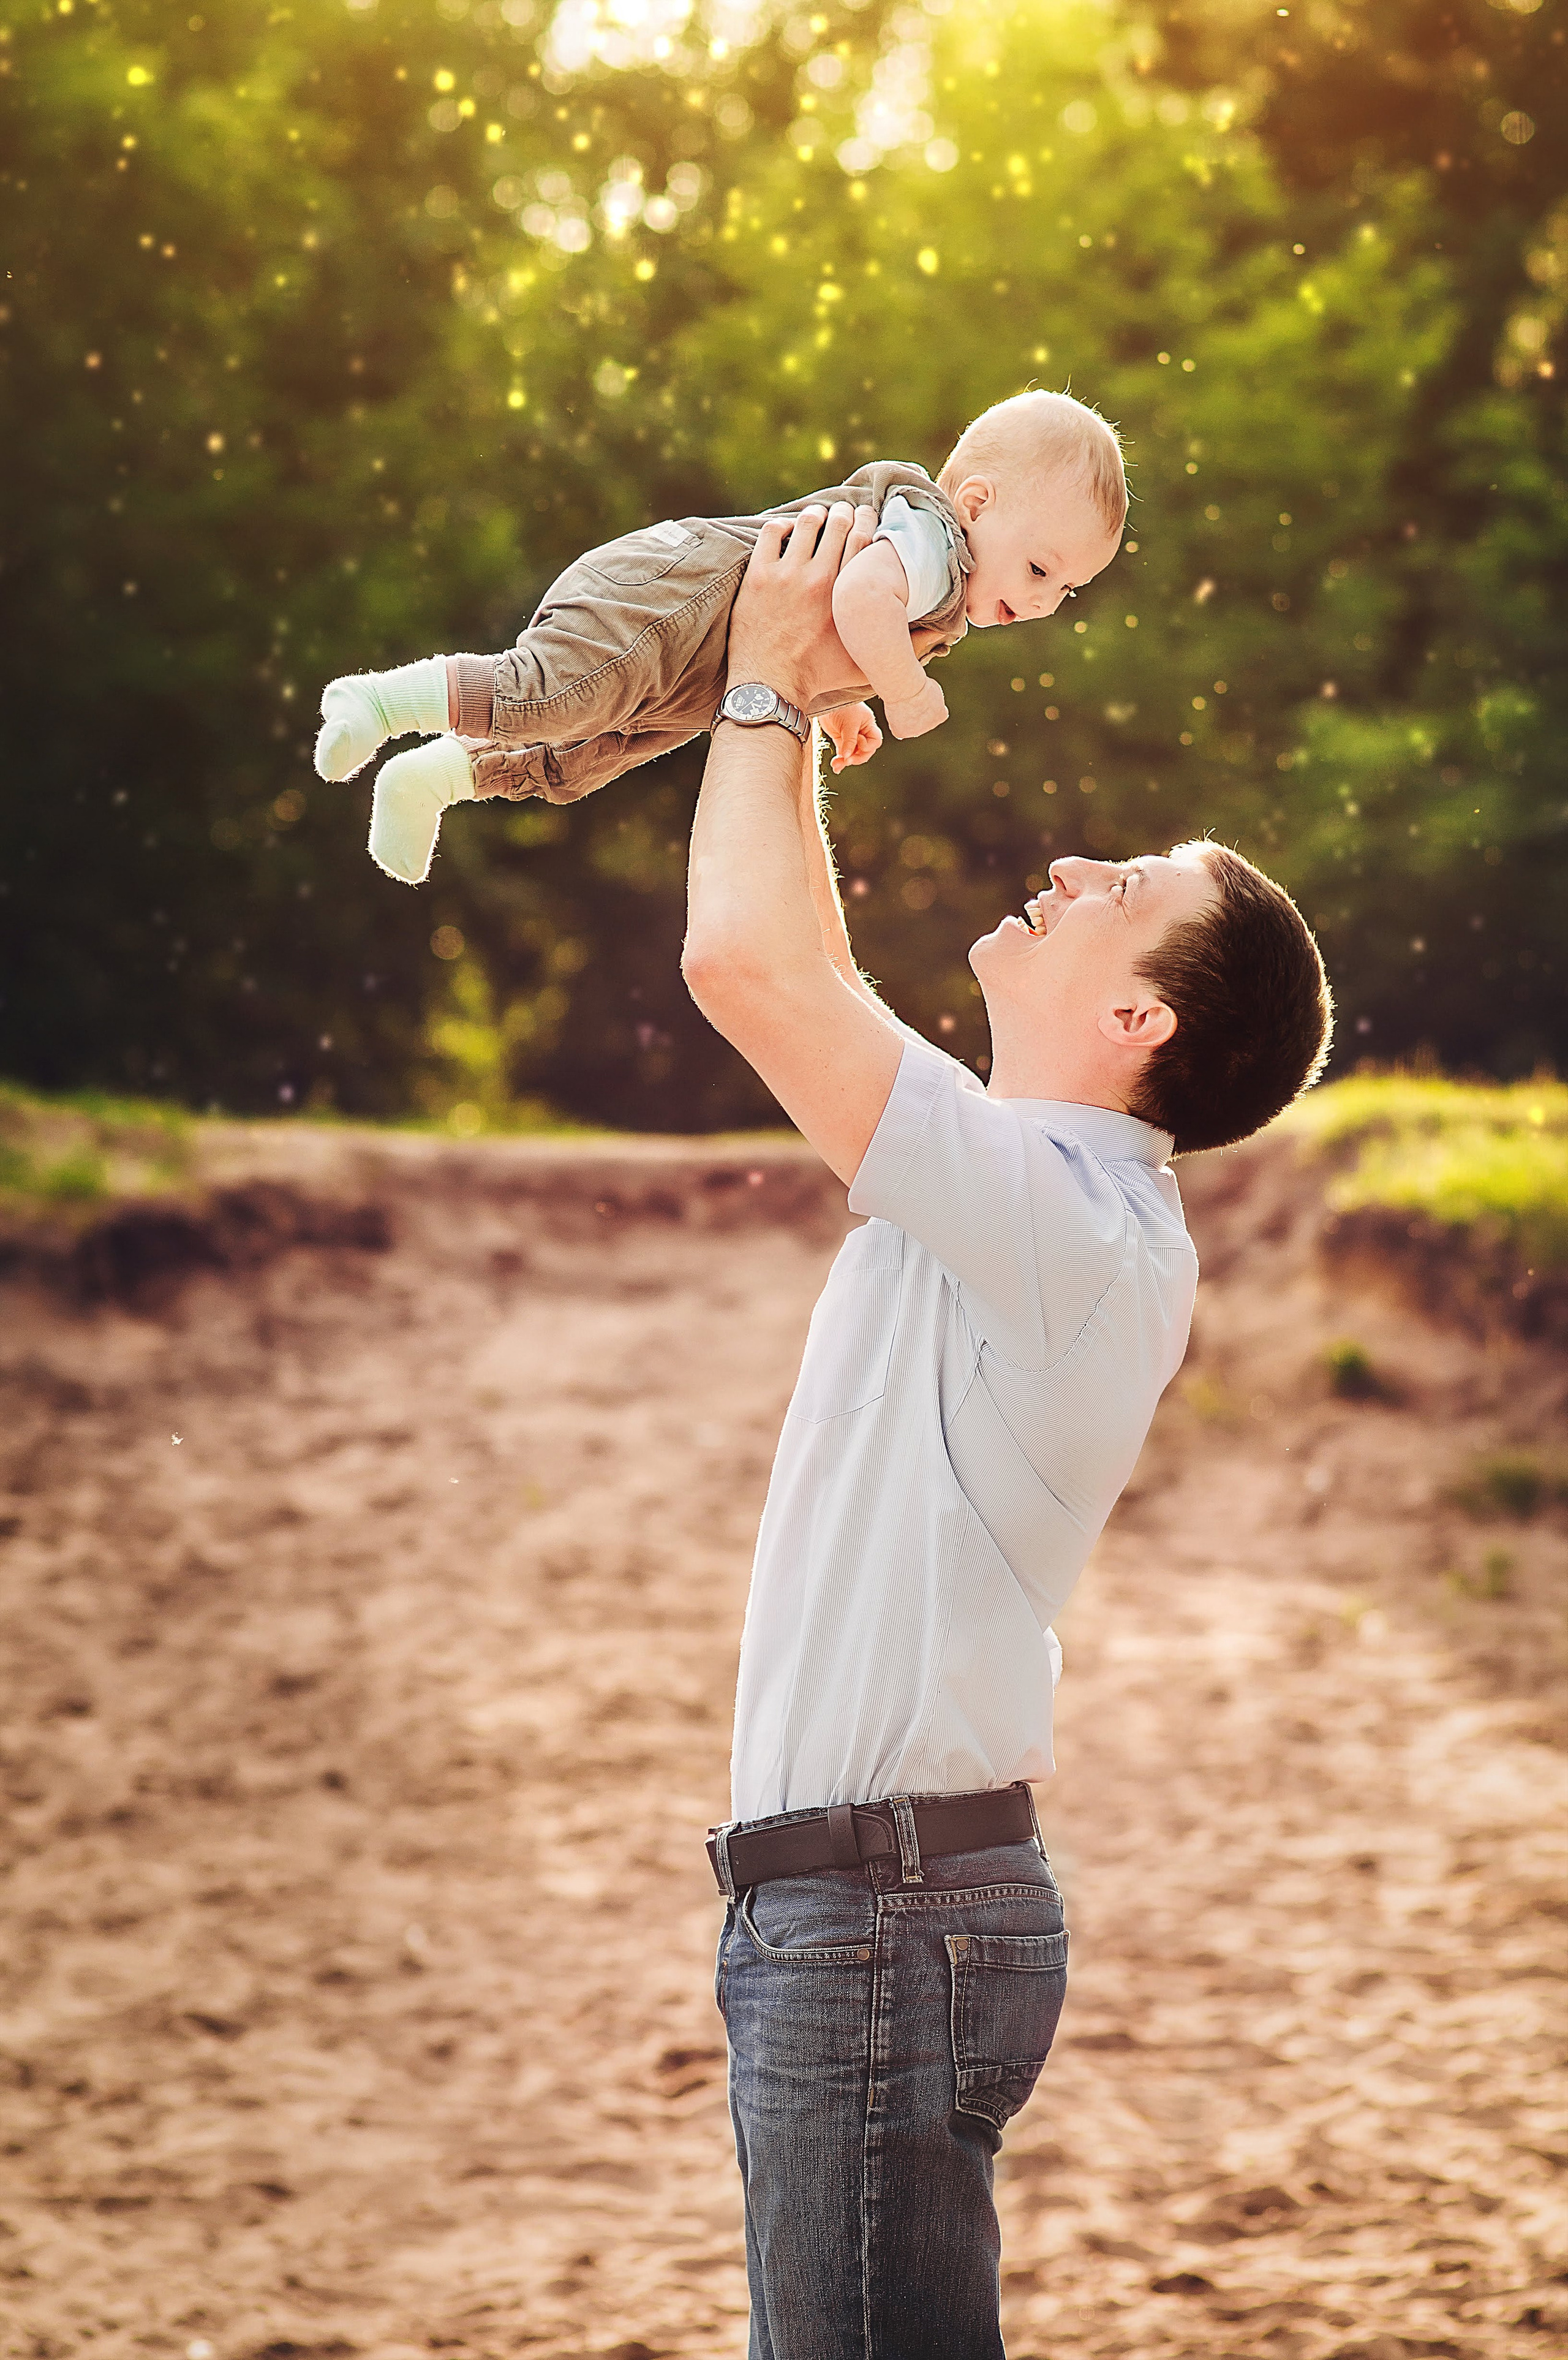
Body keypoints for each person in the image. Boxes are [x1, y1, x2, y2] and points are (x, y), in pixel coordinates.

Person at [679, 499, 1333, 2358]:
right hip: (866, 1910)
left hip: (883, 1917)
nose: (1072, 861)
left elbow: (748, 973)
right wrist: (795, 706)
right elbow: (806, 966)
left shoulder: (1070, 1220)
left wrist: (755, 680)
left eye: (1124, 882)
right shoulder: (1027, 1187)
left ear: (1137, 1009)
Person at [312, 389, 1125, 883]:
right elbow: (860, 595)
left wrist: (842, 702)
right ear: (977, 504)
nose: (1048, 601)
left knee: (584, 755)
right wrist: (906, 690)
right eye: (1041, 569)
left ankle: (432, 780)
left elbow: (838, 624)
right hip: (672, 601)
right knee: (553, 694)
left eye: (1068, 590)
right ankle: (379, 701)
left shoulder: (936, 570)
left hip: (701, 664)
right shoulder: (936, 542)